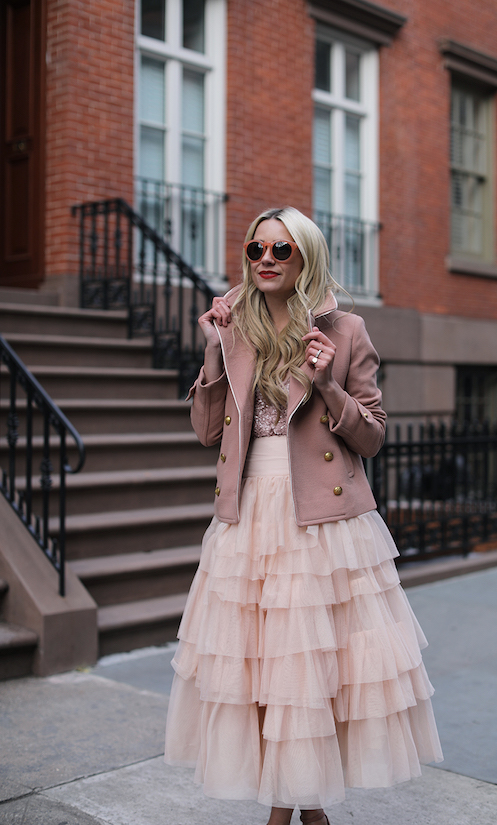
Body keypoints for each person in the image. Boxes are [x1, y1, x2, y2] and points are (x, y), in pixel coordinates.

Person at [165, 207, 443, 825]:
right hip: (248, 516)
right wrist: (211, 353)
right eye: (255, 248)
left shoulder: (345, 331)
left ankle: (303, 807)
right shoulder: (231, 324)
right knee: (261, 670)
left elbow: (371, 437)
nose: (265, 259)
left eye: (280, 251)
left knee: (316, 672)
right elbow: (208, 432)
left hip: (320, 518)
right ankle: (287, 803)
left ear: (305, 258)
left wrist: (325, 386)